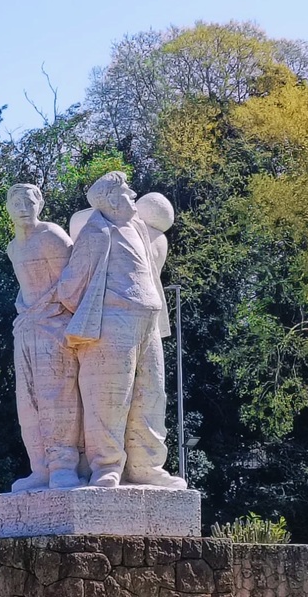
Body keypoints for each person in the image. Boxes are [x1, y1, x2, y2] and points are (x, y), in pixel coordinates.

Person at [57, 172, 186, 489]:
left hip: (148, 324)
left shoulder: (139, 227)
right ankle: (106, 467)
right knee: (108, 399)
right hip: (113, 323)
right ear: (111, 199)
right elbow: (69, 288)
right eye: (127, 191)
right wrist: (100, 307)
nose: (132, 195)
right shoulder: (95, 232)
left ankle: (146, 465)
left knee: (151, 395)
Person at [6, 184, 82, 491]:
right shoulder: (13, 247)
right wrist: (27, 311)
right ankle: (39, 467)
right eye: (16, 202)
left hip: (54, 323)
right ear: (8, 208)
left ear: (40, 204)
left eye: (29, 201)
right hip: (25, 326)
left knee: (58, 395)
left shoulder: (52, 235)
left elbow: (72, 281)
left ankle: (64, 465)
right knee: (27, 401)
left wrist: (44, 309)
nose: (23, 207)